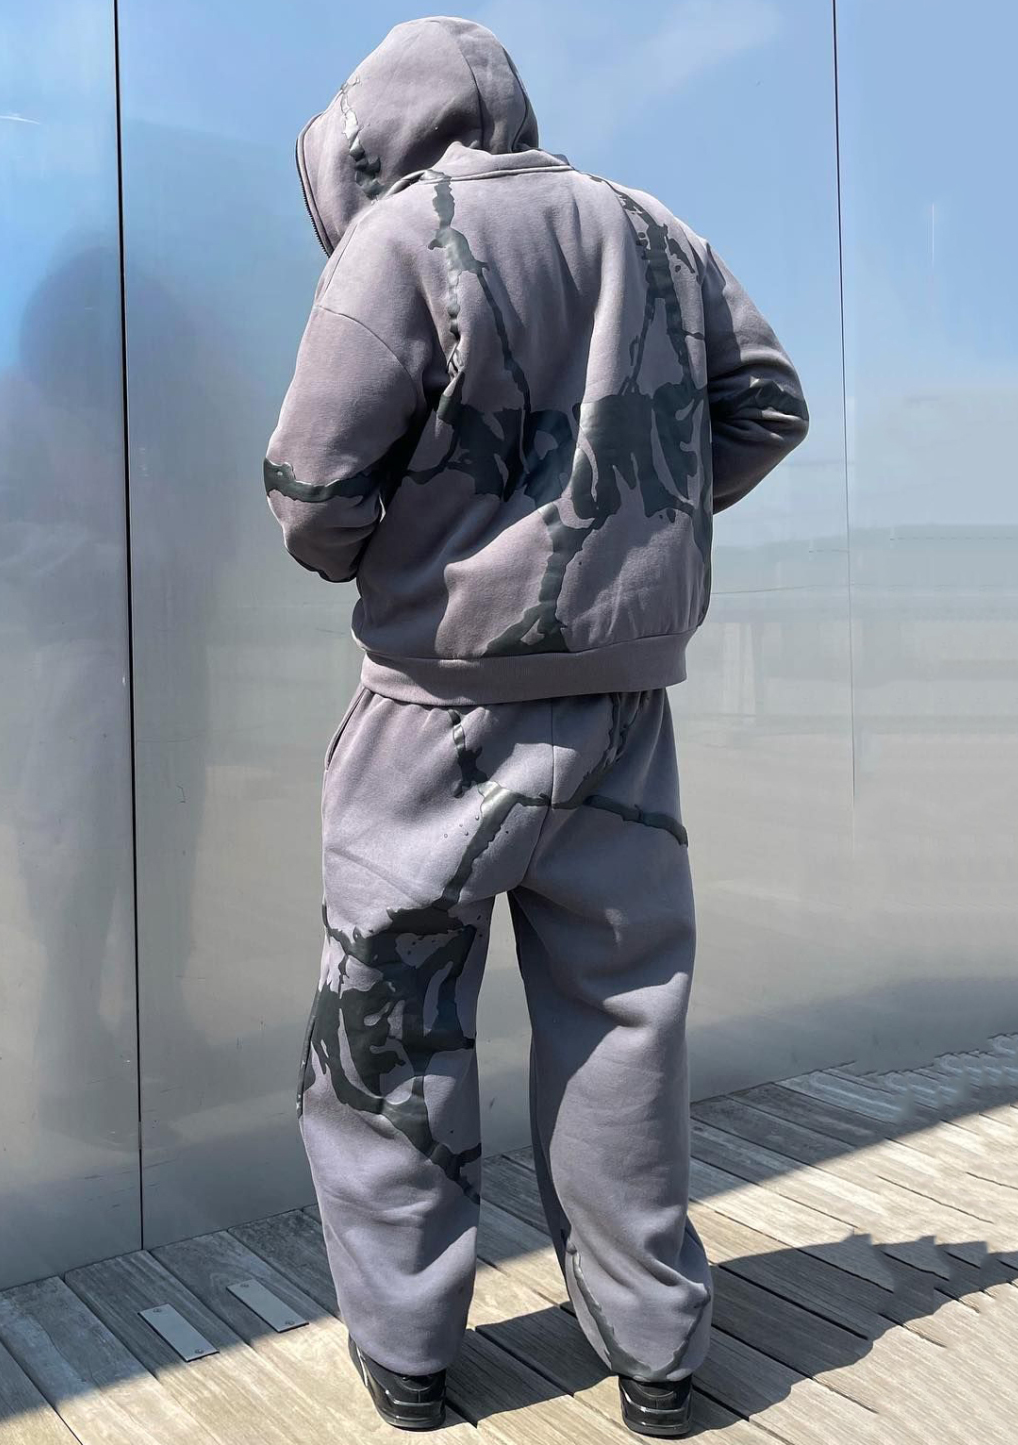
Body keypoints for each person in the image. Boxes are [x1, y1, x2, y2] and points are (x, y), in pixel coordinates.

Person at [264, 16, 807, 1437]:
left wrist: (424, 547)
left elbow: (312, 492)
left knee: (389, 1029)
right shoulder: (658, 230)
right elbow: (767, 408)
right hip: (623, 715)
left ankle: (410, 1354)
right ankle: (658, 1356)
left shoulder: (398, 239)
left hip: (432, 718)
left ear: (371, 136)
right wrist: (627, 520)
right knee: (624, 1025)